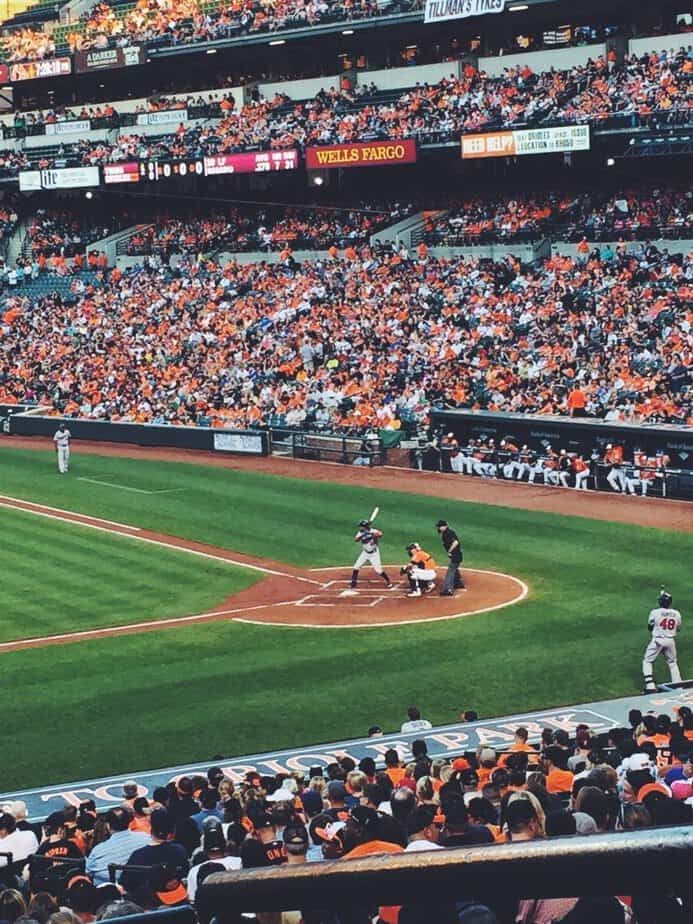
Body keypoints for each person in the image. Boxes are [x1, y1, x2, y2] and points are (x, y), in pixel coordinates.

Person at [643, 588, 683, 693]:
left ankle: (650, 686)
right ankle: (678, 686)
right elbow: (678, 628)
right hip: (670, 641)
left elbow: (649, 627)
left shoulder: (655, 612)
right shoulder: (677, 613)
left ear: (660, 602)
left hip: (657, 640)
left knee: (647, 661)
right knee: (673, 663)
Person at [350, 519, 393, 591]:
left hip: (374, 554)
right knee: (356, 567)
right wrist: (363, 534)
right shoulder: (360, 533)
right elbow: (356, 540)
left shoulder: (373, 531)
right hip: (365, 553)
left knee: (378, 570)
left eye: (361, 526)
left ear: (365, 526)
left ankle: (388, 581)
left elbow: (380, 534)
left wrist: (374, 534)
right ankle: (353, 584)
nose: (360, 528)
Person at [435, 519, 464, 596]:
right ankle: (458, 583)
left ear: (445, 526)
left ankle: (448, 589)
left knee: (450, 571)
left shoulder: (448, 533)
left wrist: (450, 551)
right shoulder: (447, 532)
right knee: (454, 568)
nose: (439, 528)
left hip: (455, 555)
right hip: (457, 555)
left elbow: (455, 542)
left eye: (440, 526)